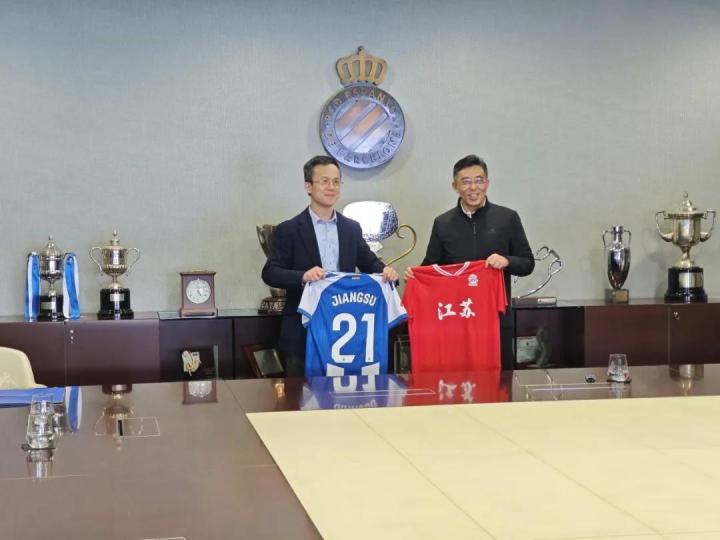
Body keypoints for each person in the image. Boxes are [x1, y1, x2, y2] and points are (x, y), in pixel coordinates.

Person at [262, 155, 399, 376]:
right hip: (303, 330)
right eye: (324, 181)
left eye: (336, 182)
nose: (331, 187)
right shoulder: (289, 229)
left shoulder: (351, 228)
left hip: (343, 331)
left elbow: (369, 262)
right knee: (300, 394)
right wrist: (303, 276)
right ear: (308, 186)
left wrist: (386, 271)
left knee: (345, 395)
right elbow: (270, 272)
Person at [405, 154, 534, 370]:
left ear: (487, 183)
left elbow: (527, 263)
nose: (473, 187)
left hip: (496, 319)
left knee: (499, 380)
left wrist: (507, 261)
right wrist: (415, 275)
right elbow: (431, 267)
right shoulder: (443, 223)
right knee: (457, 378)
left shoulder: (507, 218)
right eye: (465, 181)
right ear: (455, 186)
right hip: (456, 321)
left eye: (479, 180)